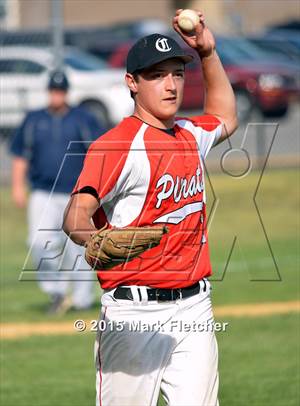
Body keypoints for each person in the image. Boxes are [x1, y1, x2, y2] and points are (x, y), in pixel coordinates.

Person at [63, 9, 237, 406]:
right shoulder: (117, 145)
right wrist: (95, 239)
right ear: (132, 83)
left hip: (195, 308)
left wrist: (208, 53)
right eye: (156, 75)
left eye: (176, 72)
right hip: (132, 315)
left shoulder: (190, 135)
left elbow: (225, 116)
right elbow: (75, 213)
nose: (171, 84)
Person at [10, 70, 105, 313]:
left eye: (61, 91)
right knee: (39, 242)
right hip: (43, 192)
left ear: (67, 92)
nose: (57, 95)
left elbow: (98, 155)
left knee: (79, 248)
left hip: (77, 194)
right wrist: (18, 186)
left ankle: (83, 300)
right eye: (53, 91)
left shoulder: (82, 119)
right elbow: (20, 156)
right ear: (48, 91)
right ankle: (57, 291)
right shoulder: (33, 119)